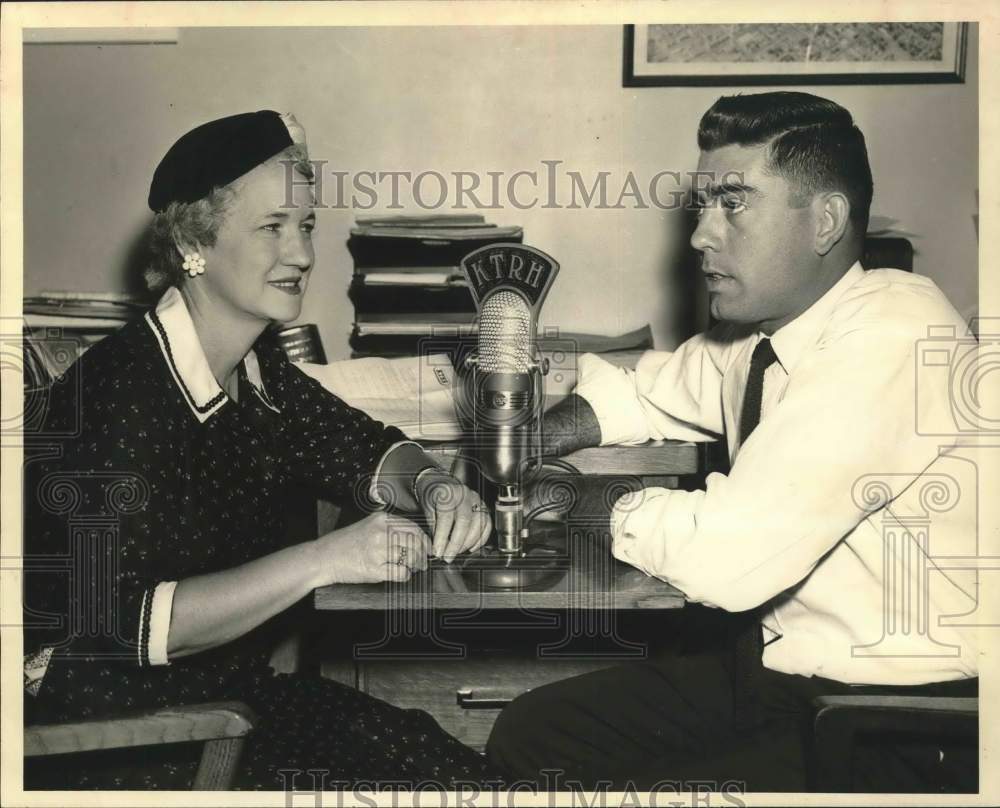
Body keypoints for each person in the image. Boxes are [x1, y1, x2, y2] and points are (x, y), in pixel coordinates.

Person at [486, 92, 979, 792]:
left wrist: (571, 497)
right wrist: (529, 438)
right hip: (784, 674)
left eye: (734, 203)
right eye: (702, 206)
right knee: (533, 737)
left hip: (899, 716)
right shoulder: (763, 331)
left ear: (826, 220)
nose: (699, 236)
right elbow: (648, 389)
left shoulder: (894, 333)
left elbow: (726, 558)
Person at [23, 110, 499, 790]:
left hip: (229, 705)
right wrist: (324, 559)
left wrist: (433, 486)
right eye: (272, 227)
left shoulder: (256, 366)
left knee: (450, 767)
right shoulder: (119, 396)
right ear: (195, 245)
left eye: (305, 226)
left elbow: (364, 447)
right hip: (131, 740)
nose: (302, 254)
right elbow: (131, 626)